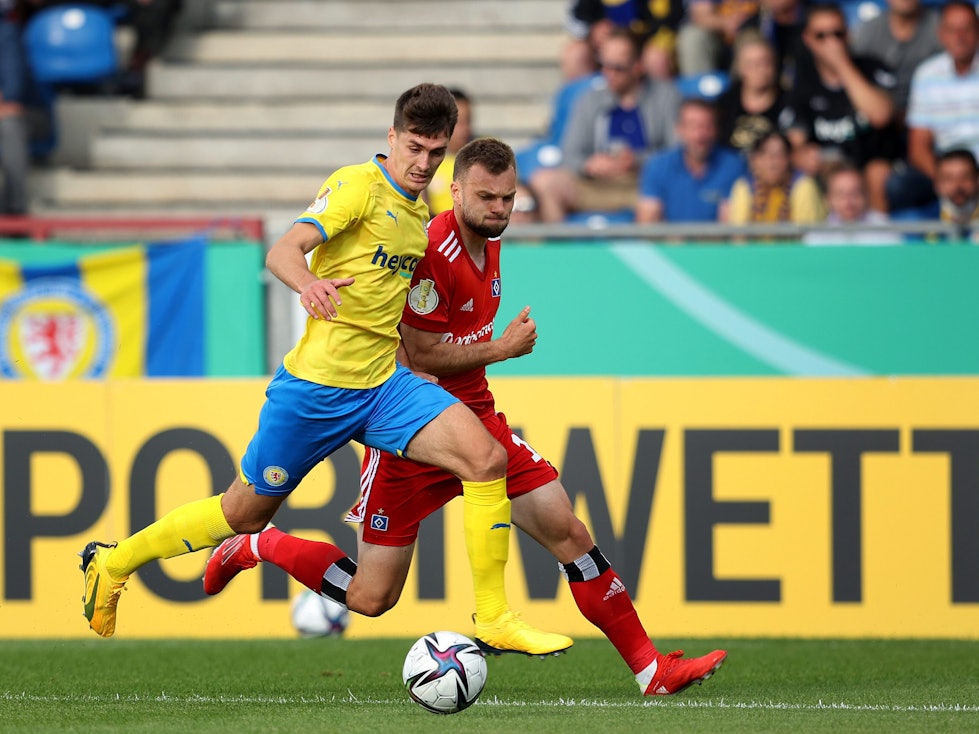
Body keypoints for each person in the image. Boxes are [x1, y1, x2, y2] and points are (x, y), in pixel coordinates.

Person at [204, 136, 728, 693]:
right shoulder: (431, 251)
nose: (499, 209)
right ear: (454, 190)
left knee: (567, 530)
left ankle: (652, 669)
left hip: (477, 422)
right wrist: (502, 349)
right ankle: (259, 543)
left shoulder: (490, 239)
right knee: (371, 598)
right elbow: (423, 354)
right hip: (411, 433)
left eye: (508, 198)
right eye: (487, 198)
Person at [78, 84, 572, 658]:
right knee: (241, 512)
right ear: (391, 138)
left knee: (486, 457)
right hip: (316, 391)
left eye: (435, 152)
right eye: (415, 147)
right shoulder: (356, 186)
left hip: (384, 387)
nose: (423, 163)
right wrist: (309, 283)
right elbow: (283, 250)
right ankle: (112, 562)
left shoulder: (419, 216)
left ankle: (494, 617)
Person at [529, 27, 681, 222]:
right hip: (597, 186)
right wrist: (590, 164)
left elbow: (677, 153)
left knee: (667, 193)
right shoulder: (588, 99)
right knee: (544, 181)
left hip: (644, 185)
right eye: (604, 66)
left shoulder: (667, 97)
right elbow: (569, 153)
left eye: (617, 68)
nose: (608, 74)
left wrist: (636, 160)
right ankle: (560, 252)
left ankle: (654, 251)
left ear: (637, 67)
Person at [779, 3, 901, 213]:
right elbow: (794, 141)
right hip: (827, 170)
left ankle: (879, 240)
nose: (831, 43)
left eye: (838, 34)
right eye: (821, 36)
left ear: (849, 34)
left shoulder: (871, 67)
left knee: (877, 173)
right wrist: (802, 155)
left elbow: (881, 115)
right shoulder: (803, 82)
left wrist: (842, 65)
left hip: (872, 167)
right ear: (808, 38)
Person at [635, 97, 746, 223]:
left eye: (707, 126)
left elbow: (731, 226)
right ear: (679, 129)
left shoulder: (733, 165)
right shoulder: (657, 165)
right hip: (669, 241)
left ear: (716, 130)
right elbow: (647, 222)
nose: (700, 135)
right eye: (692, 126)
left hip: (715, 242)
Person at [906, 1, 979, 184]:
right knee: (897, 186)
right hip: (942, 168)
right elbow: (918, 146)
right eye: (952, 29)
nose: (959, 37)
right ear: (941, 34)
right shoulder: (926, 74)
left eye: (967, 29)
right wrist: (944, 179)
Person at [726, 129, 825, 225]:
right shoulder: (745, 185)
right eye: (765, 154)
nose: (773, 163)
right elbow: (738, 236)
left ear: (789, 159)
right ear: (754, 160)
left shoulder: (803, 184)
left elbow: (806, 235)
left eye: (779, 154)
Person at [716, 30, 789, 155]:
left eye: (764, 62)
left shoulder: (790, 102)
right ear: (739, 67)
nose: (758, 70)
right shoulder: (724, 103)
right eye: (750, 64)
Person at [802, 161, 904, 244]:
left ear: (866, 195)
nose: (848, 202)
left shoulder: (885, 229)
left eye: (855, 194)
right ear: (828, 199)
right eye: (840, 195)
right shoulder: (816, 236)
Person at [0, 0, 30, 215]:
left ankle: (15, 214)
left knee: (10, 124)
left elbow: (12, 90)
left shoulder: (6, 34)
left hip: (6, 114)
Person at [676, 0, 759, 76]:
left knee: (754, 43)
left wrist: (747, 24)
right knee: (692, 36)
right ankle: (701, 88)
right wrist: (726, 23)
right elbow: (700, 15)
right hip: (720, 39)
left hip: (755, 32)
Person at [424, 88, 474, 216]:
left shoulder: (482, 155)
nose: (465, 129)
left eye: (468, 121)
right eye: (459, 122)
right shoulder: (424, 161)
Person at [933, 148, 979, 239]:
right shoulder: (914, 223)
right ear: (937, 183)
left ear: (977, 180)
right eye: (949, 178)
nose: (957, 186)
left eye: (965, 177)